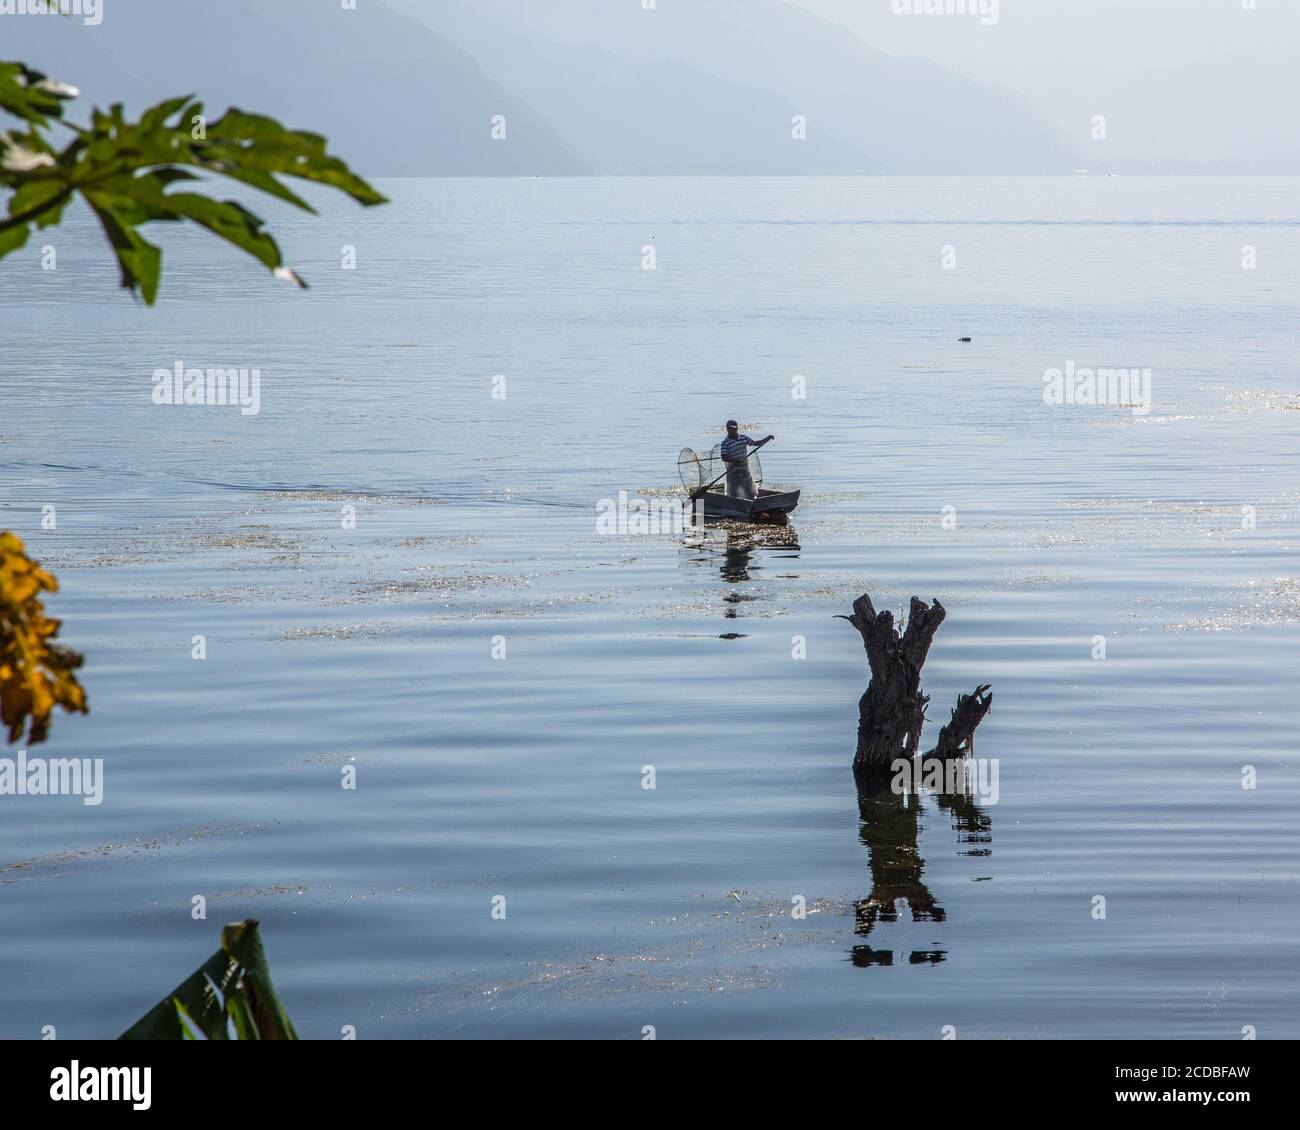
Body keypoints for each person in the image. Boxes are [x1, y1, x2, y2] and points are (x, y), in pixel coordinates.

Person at [720, 420, 773, 500]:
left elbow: (755, 443)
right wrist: (734, 461)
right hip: (733, 472)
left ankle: (751, 503)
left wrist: (767, 438)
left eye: (733, 429)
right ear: (727, 429)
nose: (731, 430)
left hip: (745, 471)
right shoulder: (725, 443)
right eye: (729, 429)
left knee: (751, 494)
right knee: (733, 496)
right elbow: (724, 457)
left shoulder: (743, 438)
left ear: (737, 428)